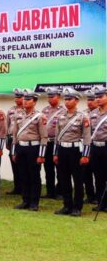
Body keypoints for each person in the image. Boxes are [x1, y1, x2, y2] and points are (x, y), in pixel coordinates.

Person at [53, 88, 91, 217]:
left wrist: (85, 155)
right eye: (66, 99)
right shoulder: (60, 116)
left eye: (70, 99)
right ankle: (67, 205)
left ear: (76, 100)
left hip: (76, 151)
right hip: (63, 150)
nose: (67, 101)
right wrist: (55, 153)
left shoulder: (82, 117)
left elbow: (86, 137)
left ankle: (77, 207)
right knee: (64, 179)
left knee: (78, 180)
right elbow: (57, 137)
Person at [11, 89, 47, 211]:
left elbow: (43, 137)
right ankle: (25, 200)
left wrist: (41, 155)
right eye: (24, 99)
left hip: (34, 148)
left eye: (28, 99)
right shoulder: (18, 115)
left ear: (35, 101)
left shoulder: (40, 116)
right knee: (23, 175)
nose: (25, 102)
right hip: (21, 147)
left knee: (34, 176)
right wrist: (14, 151)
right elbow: (15, 135)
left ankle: (34, 202)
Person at [42, 88, 65, 199]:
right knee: (48, 168)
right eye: (48, 97)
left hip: (58, 143)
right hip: (47, 143)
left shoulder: (63, 111)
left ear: (58, 97)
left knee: (60, 168)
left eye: (52, 96)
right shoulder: (45, 110)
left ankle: (60, 191)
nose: (49, 99)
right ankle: (50, 192)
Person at [90, 86, 107, 211]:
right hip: (95, 148)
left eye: (101, 97)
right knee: (98, 176)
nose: (98, 99)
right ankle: (101, 202)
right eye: (97, 97)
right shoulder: (93, 114)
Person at [5, 89, 25, 195]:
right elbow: (7, 125)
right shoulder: (11, 110)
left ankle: (24, 187)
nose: (17, 99)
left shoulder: (27, 110)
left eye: (20, 97)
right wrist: (7, 140)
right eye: (16, 97)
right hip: (12, 139)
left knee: (22, 163)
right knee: (14, 163)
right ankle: (17, 187)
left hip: (22, 139)